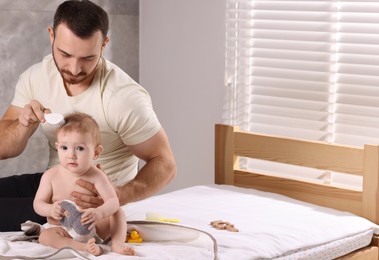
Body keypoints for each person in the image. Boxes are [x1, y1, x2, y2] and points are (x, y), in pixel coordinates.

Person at [0, 0, 176, 231]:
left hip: (88, 203)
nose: (74, 69)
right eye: (65, 54)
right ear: (51, 36)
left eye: (87, 58)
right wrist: (23, 124)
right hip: (52, 183)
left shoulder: (123, 98)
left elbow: (165, 164)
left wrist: (116, 196)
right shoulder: (36, 78)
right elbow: (5, 148)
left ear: (104, 45)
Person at [34, 112, 135, 256]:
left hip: (93, 226)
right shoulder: (50, 175)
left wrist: (99, 213)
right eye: (64, 148)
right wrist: (50, 209)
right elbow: (38, 203)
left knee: (118, 212)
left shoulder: (97, 176)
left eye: (80, 148)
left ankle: (117, 244)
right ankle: (81, 247)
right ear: (57, 147)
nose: (71, 155)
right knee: (45, 237)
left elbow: (113, 201)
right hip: (63, 228)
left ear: (96, 152)